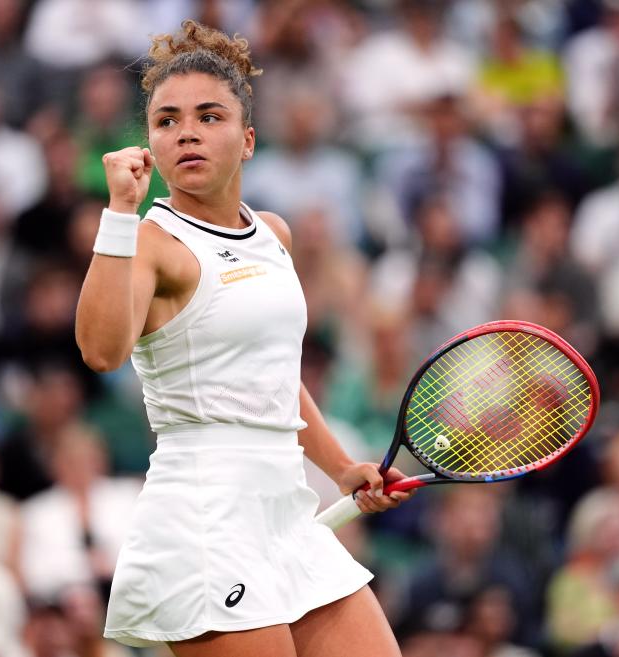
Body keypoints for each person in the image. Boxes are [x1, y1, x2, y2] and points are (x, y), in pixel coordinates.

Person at [74, 20, 413, 656]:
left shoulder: (274, 234)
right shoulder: (150, 243)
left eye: (209, 116)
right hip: (204, 518)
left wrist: (341, 468)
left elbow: (277, 381)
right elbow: (99, 351)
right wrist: (119, 214)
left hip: (284, 509)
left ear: (248, 139)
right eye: (167, 121)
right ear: (149, 142)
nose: (187, 133)